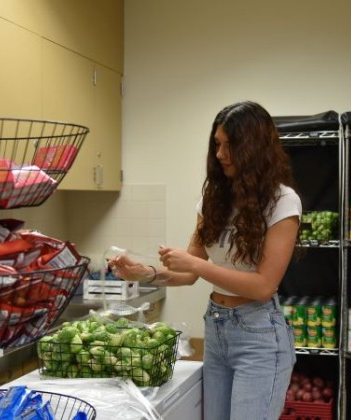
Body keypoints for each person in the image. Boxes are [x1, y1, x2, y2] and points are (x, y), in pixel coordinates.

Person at [109, 100, 302, 420]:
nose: (220, 154)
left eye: (230, 146)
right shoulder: (214, 199)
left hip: (259, 336)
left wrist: (198, 265)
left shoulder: (283, 202)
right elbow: (186, 272)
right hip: (216, 328)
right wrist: (143, 272)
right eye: (217, 144)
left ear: (254, 148)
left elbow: (264, 287)